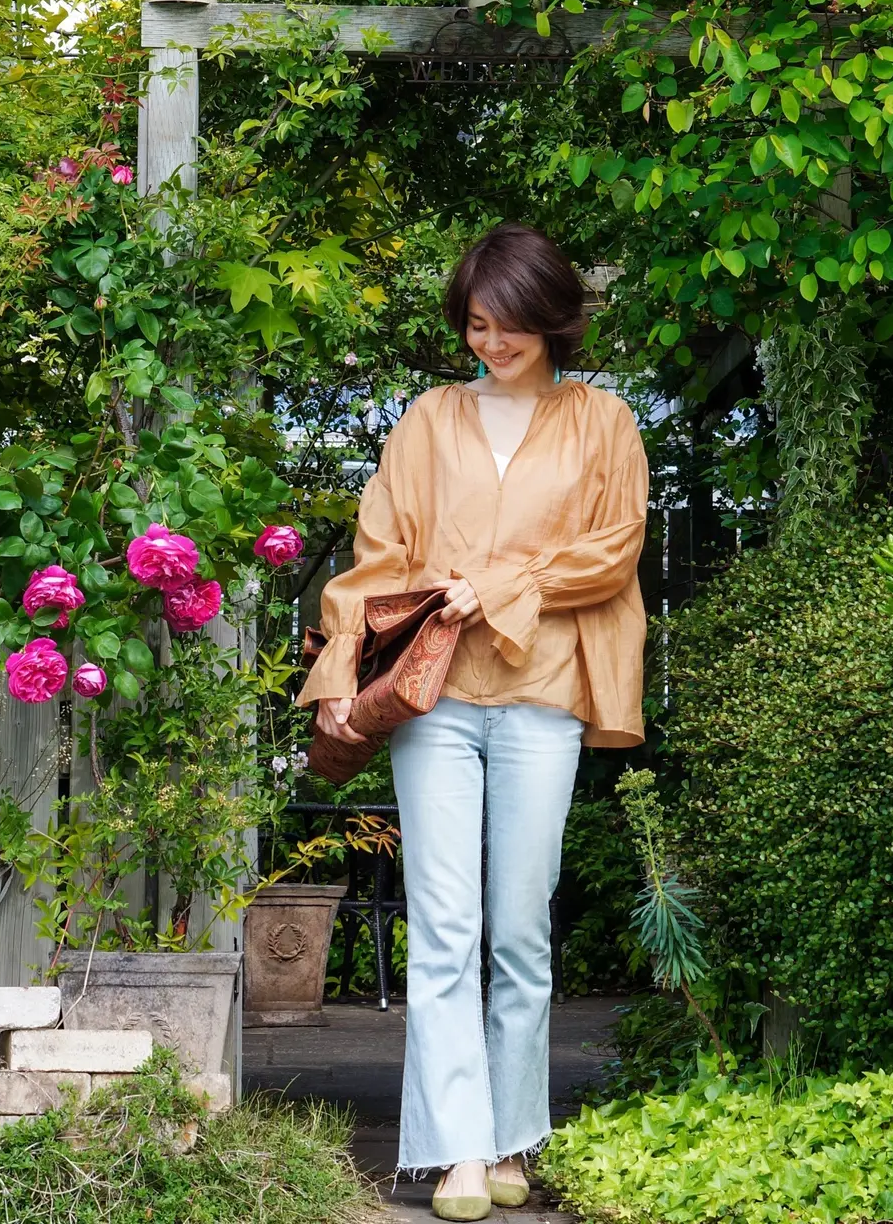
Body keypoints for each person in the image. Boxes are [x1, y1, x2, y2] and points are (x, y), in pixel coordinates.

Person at [297, 223, 648, 1221]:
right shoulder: (428, 420)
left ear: (553, 318)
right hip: (434, 701)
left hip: (544, 696)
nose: (491, 344)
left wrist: (486, 585)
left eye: (511, 326)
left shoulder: (603, 424)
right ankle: (456, 1152)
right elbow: (378, 553)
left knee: (522, 931)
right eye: (478, 325)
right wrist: (336, 660)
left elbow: (610, 555)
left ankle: (511, 1139)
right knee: (445, 928)